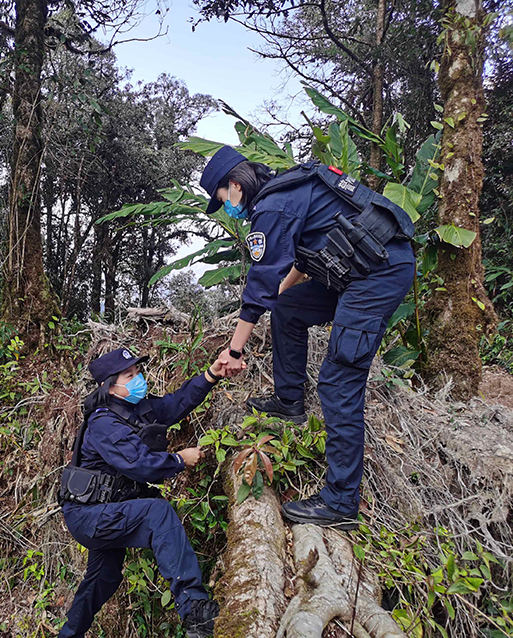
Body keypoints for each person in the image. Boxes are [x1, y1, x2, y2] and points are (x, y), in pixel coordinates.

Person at [201, 146, 416, 530]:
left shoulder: (270, 208)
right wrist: (278, 300)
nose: (227, 210)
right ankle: (289, 402)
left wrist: (234, 350)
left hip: (378, 274)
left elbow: (260, 283)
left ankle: (340, 503)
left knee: (338, 381)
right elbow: (298, 262)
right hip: (362, 269)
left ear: (234, 186)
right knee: (288, 309)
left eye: (222, 200)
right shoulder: (288, 192)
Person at [57, 347, 228, 638]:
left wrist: (212, 375)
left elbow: (177, 403)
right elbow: (137, 463)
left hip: (109, 510)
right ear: (109, 385)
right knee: (156, 512)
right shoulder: (103, 423)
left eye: (138, 373)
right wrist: (178, 460)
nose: (139, 379)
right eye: (129, 375)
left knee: (104, 577)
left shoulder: (140, 409)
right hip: (88, 516)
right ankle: (195, 611)